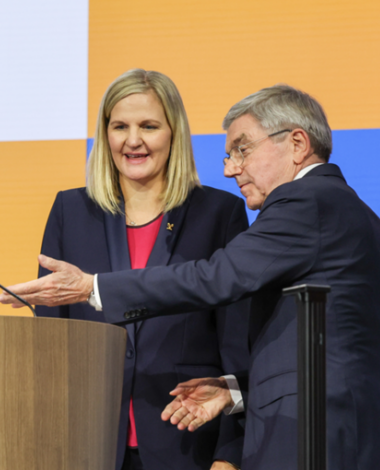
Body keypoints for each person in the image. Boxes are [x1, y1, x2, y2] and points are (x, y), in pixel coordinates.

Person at [0, 85, 380, 470]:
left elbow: (216, 277)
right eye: (229, 154)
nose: (232, 169)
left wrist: (93, 287)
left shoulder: (307, 203)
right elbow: (315, 351)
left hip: (321, 435)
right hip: (346, 429)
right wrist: (234, 392)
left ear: (297, 144)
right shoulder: (344, 209)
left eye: (242, 149)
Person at [35, 69, 249, 470]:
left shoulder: (220, 214)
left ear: (173, 133)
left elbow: (239, 346)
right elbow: (49, 345)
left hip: (187, 447)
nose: (133, 140)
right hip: (86, 444)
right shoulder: (70, 211)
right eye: (120, 127)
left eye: (148, 126)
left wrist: (229, 455)